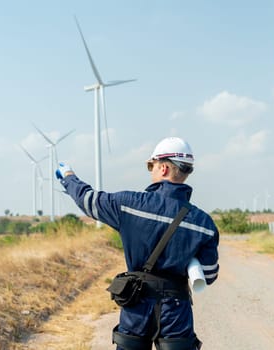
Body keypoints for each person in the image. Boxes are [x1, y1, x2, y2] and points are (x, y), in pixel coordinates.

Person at [55, 137, 219, 350]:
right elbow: (209, 275)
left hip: (136, 304)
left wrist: (68, 177)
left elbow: (88, 200)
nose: (151, 170)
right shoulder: (204, 223)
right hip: (177, 310)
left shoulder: (128, 205)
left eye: (151, 165)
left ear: (163, 168)